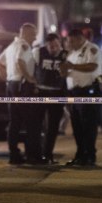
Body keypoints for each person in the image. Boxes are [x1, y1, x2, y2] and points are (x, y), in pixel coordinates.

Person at [0, 23, 43, 164]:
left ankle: (14, 154)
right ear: (26, 33)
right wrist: (29, 77)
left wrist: (8, 79)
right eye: (33, 33)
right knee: (31, 121)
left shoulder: (11, 46)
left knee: (14, 122)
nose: (35, 37)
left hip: (12, 85)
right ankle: (32, 155)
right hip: (23, 86)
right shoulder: (24, 46)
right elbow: (19, 60)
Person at [60, 28, 102, 166]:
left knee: (88, 125)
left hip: (87, 91)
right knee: (77, 126)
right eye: (68, 41)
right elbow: (67, 72)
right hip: (74, 93)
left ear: (80, 39)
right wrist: (63, 70)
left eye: (71, 41)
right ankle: (80, 155)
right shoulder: (71, 53)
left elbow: (92, 66)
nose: (69, 44)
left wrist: (73, 66)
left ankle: (90, 155)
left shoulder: (92, 49)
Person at [34, 32, 68, 164]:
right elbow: (32, 69)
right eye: (50, 46)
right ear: (46, 45)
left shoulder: (65, 55)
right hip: (41, 92)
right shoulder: (38, 52)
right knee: (38, 126)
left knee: (53, 127)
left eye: (55, 46)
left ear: (60, 44)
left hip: (57, 94)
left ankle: (48, 154)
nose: (53, 49)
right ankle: (37, 154)